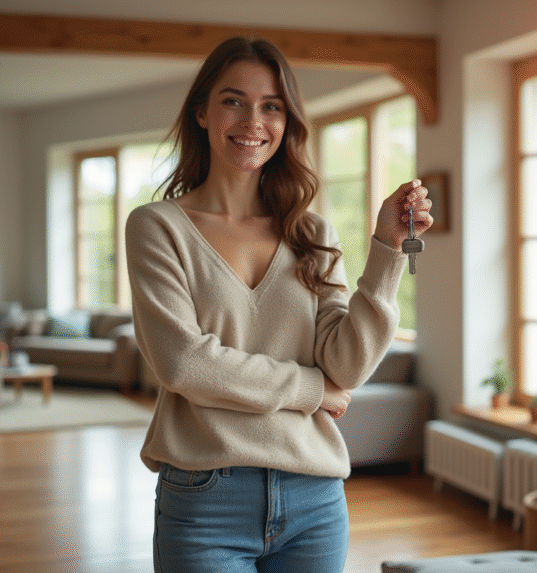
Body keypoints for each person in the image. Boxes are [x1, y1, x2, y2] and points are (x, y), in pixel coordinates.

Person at [125, 36, 433, 573]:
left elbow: (346, 365)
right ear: (202, 112)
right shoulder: (157, 227)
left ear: (287, 122)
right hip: (205, 501)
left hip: (315, 498)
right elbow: (186, 363)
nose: (253, 121)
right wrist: (313, 390)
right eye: (233, 101)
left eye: (272, 106)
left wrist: (386, 251)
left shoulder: (311, 231)